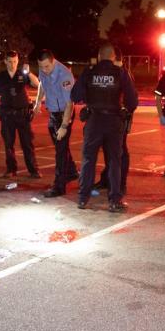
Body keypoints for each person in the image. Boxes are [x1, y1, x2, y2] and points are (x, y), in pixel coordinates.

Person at [71, 43, 138, 212]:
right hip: (114, 121)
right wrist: (124, 109)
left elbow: (75, 95)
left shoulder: (89, 71)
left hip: (93, 120)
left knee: (88, 160)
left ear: (99, 56)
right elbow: (133, 101)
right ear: (114, 57)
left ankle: (82, 198)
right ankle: (115, 200)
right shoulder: (120, 73)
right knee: (114, 161)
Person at [34, 49, 78, 197]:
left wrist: (64, 126)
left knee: (60, 151)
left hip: (64, 115)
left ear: (53, 61)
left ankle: (59, 187)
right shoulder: (43, 69)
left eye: (47, 66)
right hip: (53, 114)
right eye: (41, 67)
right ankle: (71, 172)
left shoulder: (64, 75)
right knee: (61, 146)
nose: (44, 70)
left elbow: (69, 104)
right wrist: (38, 101)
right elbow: (41, 83)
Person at [0, 50, 42, 179]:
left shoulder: (22, 74)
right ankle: (11, 169)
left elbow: (37, 84)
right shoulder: (1, 76)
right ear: (5, 61)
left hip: (23, 115)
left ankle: (33, 170)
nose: (12, 64)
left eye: (15, 61)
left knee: (27, 143)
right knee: (8, 144)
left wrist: (29, 72)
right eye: (9, 61)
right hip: (7, 115)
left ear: (18, 61)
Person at [93, 48, 133, 194]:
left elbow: (131, 99)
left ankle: (120, 183)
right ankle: (107, 180)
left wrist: (125, 114)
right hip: (108, 119)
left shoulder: (123, 74)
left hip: (119, 118)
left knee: (120, 151)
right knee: (109, 151)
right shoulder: (113, 73)